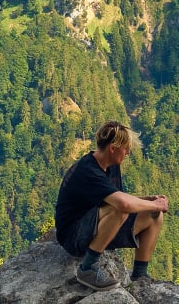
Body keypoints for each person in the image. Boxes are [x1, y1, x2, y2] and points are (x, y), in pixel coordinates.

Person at [54, 120, 168, 290]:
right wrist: (156, 204)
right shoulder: (88, 170)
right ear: (113, 148)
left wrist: (149, 201)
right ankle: (87, 269)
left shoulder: (110, 165)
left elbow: (114, 198)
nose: (128, 152)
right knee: (123, 210)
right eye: (125, 148)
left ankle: (140, 274)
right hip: (73, 235)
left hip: (94, 226)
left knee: (153, 215)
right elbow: (121, 204)